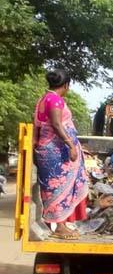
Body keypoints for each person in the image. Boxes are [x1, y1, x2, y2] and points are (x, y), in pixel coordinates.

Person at [33, 69, 89, 240]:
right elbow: (57, 125)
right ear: (66, 85)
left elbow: (39, 126)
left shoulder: (43, 99)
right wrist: (71, 145)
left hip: (47, 150)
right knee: (58, 188)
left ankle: (62, 225)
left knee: (53, 189)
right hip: (55, 153)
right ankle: (60, 227)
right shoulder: (55, 100)